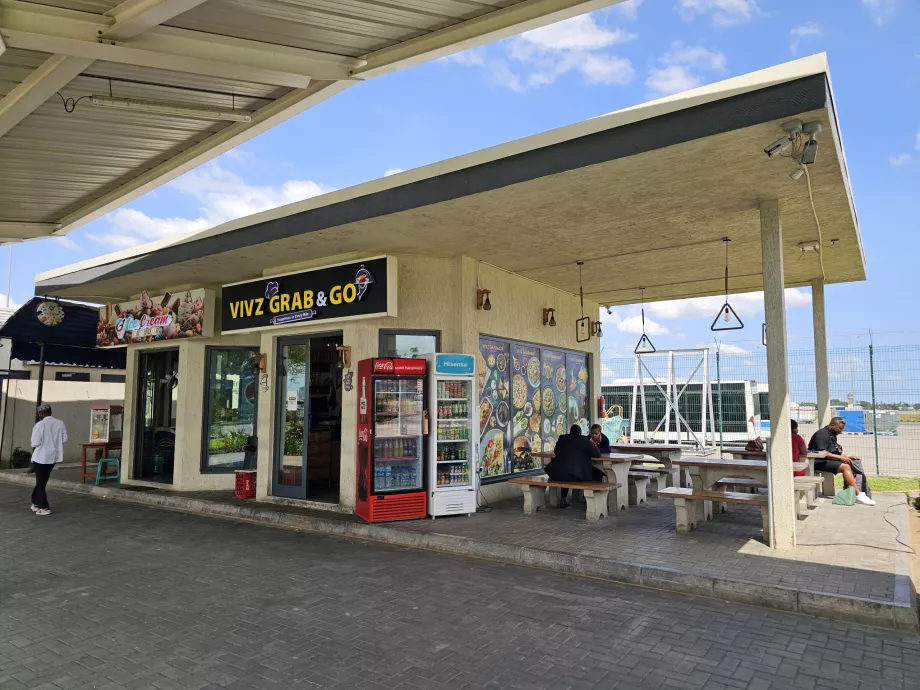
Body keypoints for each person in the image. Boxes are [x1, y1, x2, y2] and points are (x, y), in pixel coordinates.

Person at [809, 416, 874, 506]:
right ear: (833, 425)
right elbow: (822, 453)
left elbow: (832, 451)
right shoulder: (822, 434)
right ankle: (858, 494)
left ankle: (852, 490)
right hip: (816, 462)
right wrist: (840, 458)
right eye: (839, 428)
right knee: (845, 467)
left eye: (842, 428)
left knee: (852, 462)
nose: (841, 430)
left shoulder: (832, 433)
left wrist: (847, 457)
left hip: (825, 460)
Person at [546, 425, 603, 508]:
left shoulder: (562, 438)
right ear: (580, 433)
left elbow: (556, 451)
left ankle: (563, 500)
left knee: (566, 471)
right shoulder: (584, 440)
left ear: (570, 432)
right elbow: (597, 454)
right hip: (575, 474)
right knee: (598, 474)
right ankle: (593, 502)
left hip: (557, 474)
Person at [30, 403, 68, 516]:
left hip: (40, 457)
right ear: (50, 412)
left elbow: (35, 442)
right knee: (42, 481)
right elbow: (65, 439)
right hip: (53, 457)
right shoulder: (60, 423)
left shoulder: (39, 425)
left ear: (41, 413)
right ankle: (35, 502)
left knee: (41, 484)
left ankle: (44, 507)